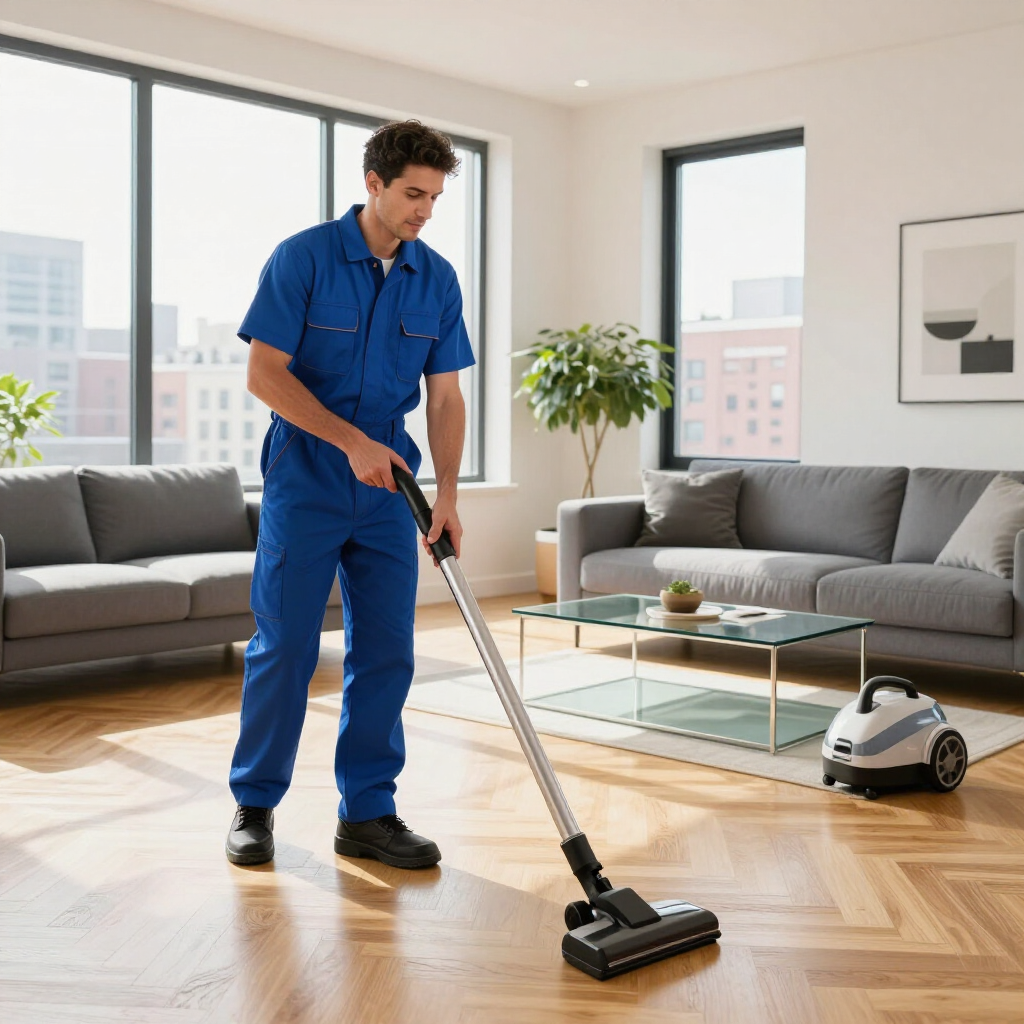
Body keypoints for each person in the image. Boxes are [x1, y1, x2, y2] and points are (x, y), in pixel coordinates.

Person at [225, 120, 474, 869]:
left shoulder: (437, 277)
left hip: (390, 485)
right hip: (308, 472)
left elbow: (446, 398)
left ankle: (368, 812)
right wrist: (349, 442)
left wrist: (449, 493)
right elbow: (265, 375)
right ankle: (255, 805)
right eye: (412, 193)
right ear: (373, 184)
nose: (424, 210)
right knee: (287, 647)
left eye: (434, 196)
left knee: (388, 650)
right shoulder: (303, 258)